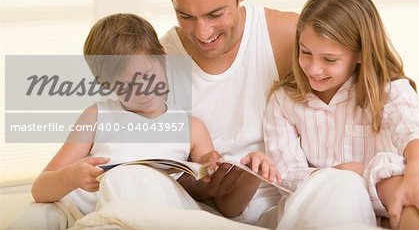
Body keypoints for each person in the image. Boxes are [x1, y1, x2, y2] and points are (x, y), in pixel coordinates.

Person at [154, 0, 383, 229]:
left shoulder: (287, 37)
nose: (202, 33)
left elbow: (390, 100)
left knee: (343, 186)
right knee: (130, 182)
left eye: (215, 14)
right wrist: (200, 185)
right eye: (185, 16)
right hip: (203, 213)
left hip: (289, 206)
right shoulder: (158, 61)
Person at [10, 13, 278, 229]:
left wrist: (215, 168)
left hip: (153, 211)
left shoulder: (190, 127)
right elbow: (40, 189)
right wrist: (72, 176)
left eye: (148, 75)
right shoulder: (97, 116)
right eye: (125, 85)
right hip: (98, 210)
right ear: (105, 85)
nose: (142, 90)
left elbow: (212, 180)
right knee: (36, 215)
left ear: (162, 57)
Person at [264, 0, 419, 230]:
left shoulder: (387, 89)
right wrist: (350, 175)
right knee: (386, 180)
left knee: (408, 191)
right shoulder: (283, 101)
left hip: (388, 198)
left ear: (361, 54)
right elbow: (285, 175)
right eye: (306, 52)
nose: (314, 68)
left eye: (329, 59)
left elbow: (415, 130)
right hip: (325, 203)